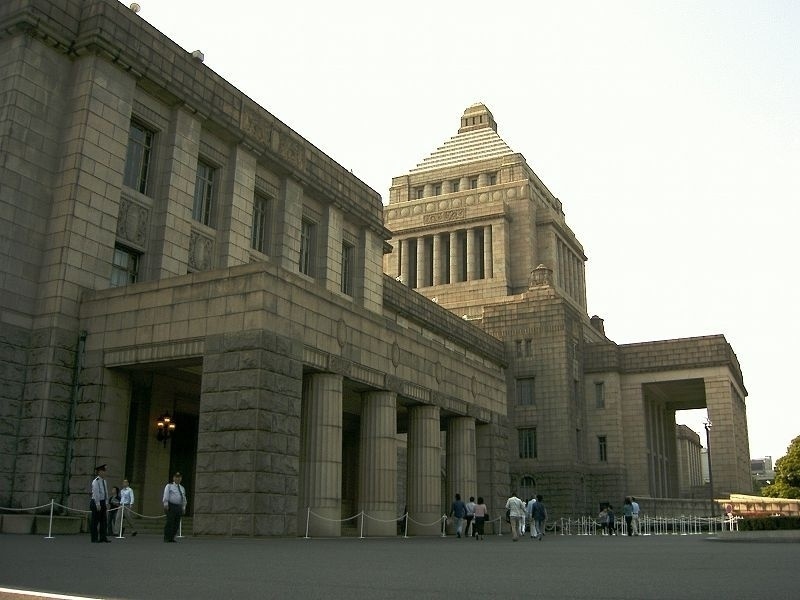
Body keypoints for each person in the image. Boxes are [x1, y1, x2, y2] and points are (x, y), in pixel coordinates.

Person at [162, 472, 187, 543]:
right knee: (170, 522)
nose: (178, 479)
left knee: (176, 523)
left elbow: (184, 498)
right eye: (176, 477)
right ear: (173, 478)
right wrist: (166, 504)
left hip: (178, 506)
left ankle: (172, 537)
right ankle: (167, 537)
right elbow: (166, 494)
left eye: (179, 477)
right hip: (171, 506)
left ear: (181, 478)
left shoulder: (182, 488)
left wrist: (183, 507)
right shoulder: (169, 486)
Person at [90, 464, 111, 543]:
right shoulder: (96, 481)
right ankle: (94, 538)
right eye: (103, 471)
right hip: (96, 501)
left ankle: (103, 537)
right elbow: (96, 493)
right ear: (99, 472)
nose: (104, 473)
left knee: (103, 521)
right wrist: (97, 504)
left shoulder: (104, 481)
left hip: (103, 501)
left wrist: (106, 502)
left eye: (105, 471)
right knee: (95, 521)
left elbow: (105, 492)